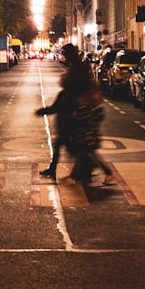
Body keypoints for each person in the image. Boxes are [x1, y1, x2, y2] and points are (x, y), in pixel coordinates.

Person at [34, 44, 113, 184]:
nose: (64, 56)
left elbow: (80, 88)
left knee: (79, 147)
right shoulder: (78, 66)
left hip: (73, 111)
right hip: (73, 109)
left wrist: (77, 109)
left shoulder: (77, 68)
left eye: (65, 53)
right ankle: (84, 168)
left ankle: (83, 170)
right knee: (75, 146)